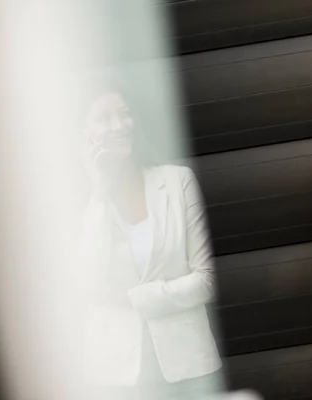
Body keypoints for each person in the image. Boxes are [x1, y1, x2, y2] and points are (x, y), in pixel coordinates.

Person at [77, 83, 223, 400]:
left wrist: (133, 299)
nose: (119, 126)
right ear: (83, 132)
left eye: (125, 114)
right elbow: (86, 283)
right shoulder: (81, 202)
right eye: (104, 118)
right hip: (118, 375)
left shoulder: (176, 181)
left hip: (189, 366)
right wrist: (100, 193)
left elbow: (206, 280)